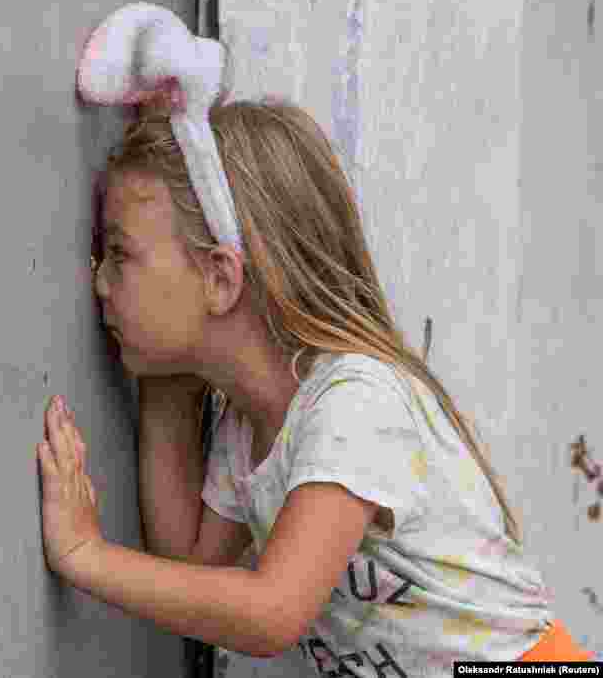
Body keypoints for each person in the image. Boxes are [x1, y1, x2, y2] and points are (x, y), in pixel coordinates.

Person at [33, 97, 599, 673]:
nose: (98, 281)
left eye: (121, 254)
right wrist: (163, 381)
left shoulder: (352, 403)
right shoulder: (252, 421)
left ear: (221, 278)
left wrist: (87, 555)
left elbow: (272, 614)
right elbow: (193, 570)